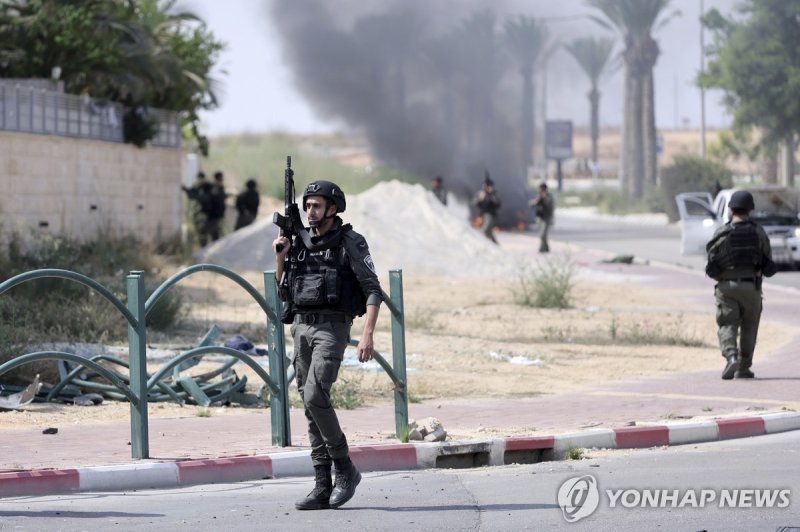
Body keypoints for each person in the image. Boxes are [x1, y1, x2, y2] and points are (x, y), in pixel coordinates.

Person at [272, 180, 382, 511]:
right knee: (309, 406)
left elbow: (374, 289)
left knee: (315, 395)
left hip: (332, 328)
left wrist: (368, 334)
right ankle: (322, 484)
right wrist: (281, 256)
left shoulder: (350, 241)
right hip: (302, 328)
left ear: (333, 208)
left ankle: (345, 467)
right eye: (307, 206)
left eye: (316, 206)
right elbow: (283, 291)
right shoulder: (299, 242)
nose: (310, 211)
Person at [705, 190, 776, 380]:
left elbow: (711, 263)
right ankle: (744, 367)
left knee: (728, 323)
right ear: (750, 209)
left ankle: (731, 356)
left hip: (726, 287)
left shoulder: (721, 233)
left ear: (731, 209)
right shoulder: (758, 232)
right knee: (749, 326)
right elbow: (768, 261)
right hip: (751, 287)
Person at [181, 171, 213, 246]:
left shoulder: (209, 187)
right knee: (201, 231)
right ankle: (204, 246)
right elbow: (192, 194)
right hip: (202, 213)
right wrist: (186, 190)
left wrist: (197, 196)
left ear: (203, 178)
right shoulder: (198, 187)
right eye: (199, 179)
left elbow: (205, 198)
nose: (199, 180)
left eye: (201, 179)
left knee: (209, 232)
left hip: (210, 214)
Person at [473, 173, 501, 244]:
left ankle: (482, 244)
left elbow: (498, 204)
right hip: (483, 215)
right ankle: (495, 246)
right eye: (486, 186)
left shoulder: (494, 195)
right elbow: (474, 203)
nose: (488, 188)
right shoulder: (481, 194)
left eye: (489, 186)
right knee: (488, 233)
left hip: (490, 215)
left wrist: (492, 197)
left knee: (483, 231)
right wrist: (480, 199)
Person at [530, 182, 555, 253]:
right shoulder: (539, 196)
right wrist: (537, 200)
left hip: (546, 218)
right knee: (541, 234)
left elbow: (550, 206)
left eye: (541, 189)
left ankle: (542, 248)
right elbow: (532, 204)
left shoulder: (549, 197)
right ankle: (546, 248)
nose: (540, 191)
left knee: (543, 234)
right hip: (540, 217)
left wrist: (545, 198)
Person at [206, 170, 227, 242]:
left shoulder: (218, 187)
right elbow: (217, 201)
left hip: (217, 215)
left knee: (216, 236)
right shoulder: (215, 188)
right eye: (221, 178)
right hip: (214, 215)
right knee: (215, 236)